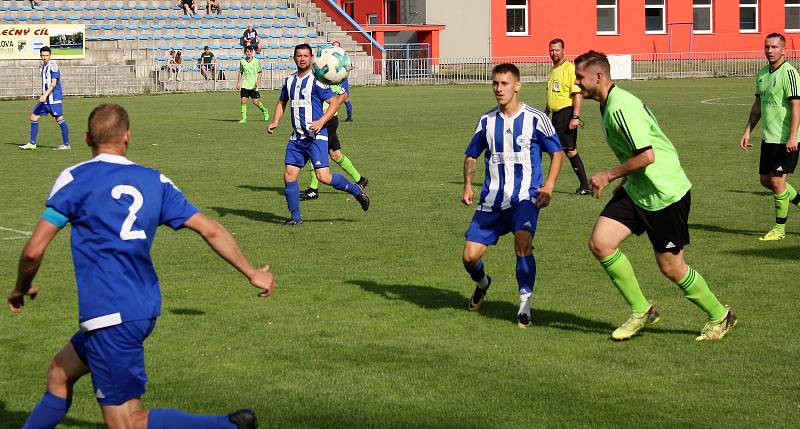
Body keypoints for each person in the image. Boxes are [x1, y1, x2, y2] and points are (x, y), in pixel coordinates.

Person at [7, 104, 273, 429]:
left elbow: (34, 251)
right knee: (59, 373)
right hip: (141, 306)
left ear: (87, 138)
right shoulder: (155, 181)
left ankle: (228, 426)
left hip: (108, 315)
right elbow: (211, 229)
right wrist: (252, 272)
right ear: (127, 137)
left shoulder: (75, 177)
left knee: (128, 422)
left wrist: (20, 287)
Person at [574, 50, 737, 341]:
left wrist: (609, 175)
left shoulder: (620, 106)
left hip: (665, 193)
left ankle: (721, 316)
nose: (577, 84)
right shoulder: (608, 102)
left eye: (580, 77)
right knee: (601, 243)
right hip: (638, 189)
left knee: (672, 268)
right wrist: (625, 182)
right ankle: (642, 310)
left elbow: (647, 156)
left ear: (598, 77)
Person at [461, 63, 563, 328]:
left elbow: (557, 152)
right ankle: (483, 284)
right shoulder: (486, 121)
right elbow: (472, 154)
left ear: (517, 85)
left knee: (523, 244)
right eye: (495, 83)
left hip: (525, 197)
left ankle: (524, 308)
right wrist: (468, 185)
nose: (498, 88)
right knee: (470, 257)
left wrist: (549, 186)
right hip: (492, 199)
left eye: (504, 83)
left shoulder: (536, 118)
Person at [267, 43, 370, 225]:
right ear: (294, 58)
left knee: (323, 177)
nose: (302, 59)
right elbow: (282, 102)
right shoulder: (289, 80)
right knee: (289, 175)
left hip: (317, 136)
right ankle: (295, 218)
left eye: (305, 56)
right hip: (297, 138)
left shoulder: (317, 81)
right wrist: (276, 121)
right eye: (299, 55)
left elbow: (334, 103)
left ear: (311, 58)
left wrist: (321, 122)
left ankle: (356, 190)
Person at [740, 33, 800, 241]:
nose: (770, 51)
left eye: (774, 47)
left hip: (786, 139)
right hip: (769, 138)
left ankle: (779, 229)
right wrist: (748, 130)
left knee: (776, 181)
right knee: (766, 180)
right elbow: (758, 105)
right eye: (767, 47)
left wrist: (793, 137)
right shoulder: (762, 73)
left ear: (784, 50)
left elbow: (796, 107)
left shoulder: (790, 73)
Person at [299, 77, 368, 201]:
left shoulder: (328, 78)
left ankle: (313, 189)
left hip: (327, 122)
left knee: (314, 152)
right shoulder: (313, 78)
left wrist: (331, 108)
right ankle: (360, 179)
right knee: (336, 155)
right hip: (322, 121)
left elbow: (343, 94)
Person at [544, 38, 590, 195]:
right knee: (570, 151)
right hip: (556, 115)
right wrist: (544, 114)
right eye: (551, 50)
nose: (554, 53)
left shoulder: (569, 68)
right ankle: (585, 186)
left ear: (563, 50)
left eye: (557, 50)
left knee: (549, 147)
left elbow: (577, 94)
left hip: (566, 114)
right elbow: (551, 95)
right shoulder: (554, 70)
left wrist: (575, 117)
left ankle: (541, 183)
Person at [20, 46, 71, 151]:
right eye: (43, 55)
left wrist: (44, 95)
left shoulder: (53, 66)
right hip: (45, 99)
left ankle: (66, 144)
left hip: (53, 99)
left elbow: (53, 83)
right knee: (34, 117)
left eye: (47, 55)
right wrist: (43, 95)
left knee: (59, 118)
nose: (45, 57)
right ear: (40, 55)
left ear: (50, 55)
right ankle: (32, 143)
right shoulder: (41, 67)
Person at [235, 46, 269, 124]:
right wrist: (238, 82)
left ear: (252, 52)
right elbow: (241, 72)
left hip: (253, 85)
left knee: (255, 102)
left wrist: (258, 81)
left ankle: (264, 110)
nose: (249, 53)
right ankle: (244, 118)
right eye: (247, 51)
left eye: (250, 51)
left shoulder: (256, 61)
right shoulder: (242, 61)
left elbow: (260, 72)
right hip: (245, 85)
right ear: (245, 52)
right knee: (243, 100)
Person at [331, 41, 353, 121]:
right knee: (328, 97)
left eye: (337, 46)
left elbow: (350, 67)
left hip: (342, 80)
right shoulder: (329, 56)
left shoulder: (344, 56)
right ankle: (328, 115)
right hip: (332, 80)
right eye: (334, 46)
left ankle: (350, 117)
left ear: (340, 47)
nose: (335, 48)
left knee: (345, 98)